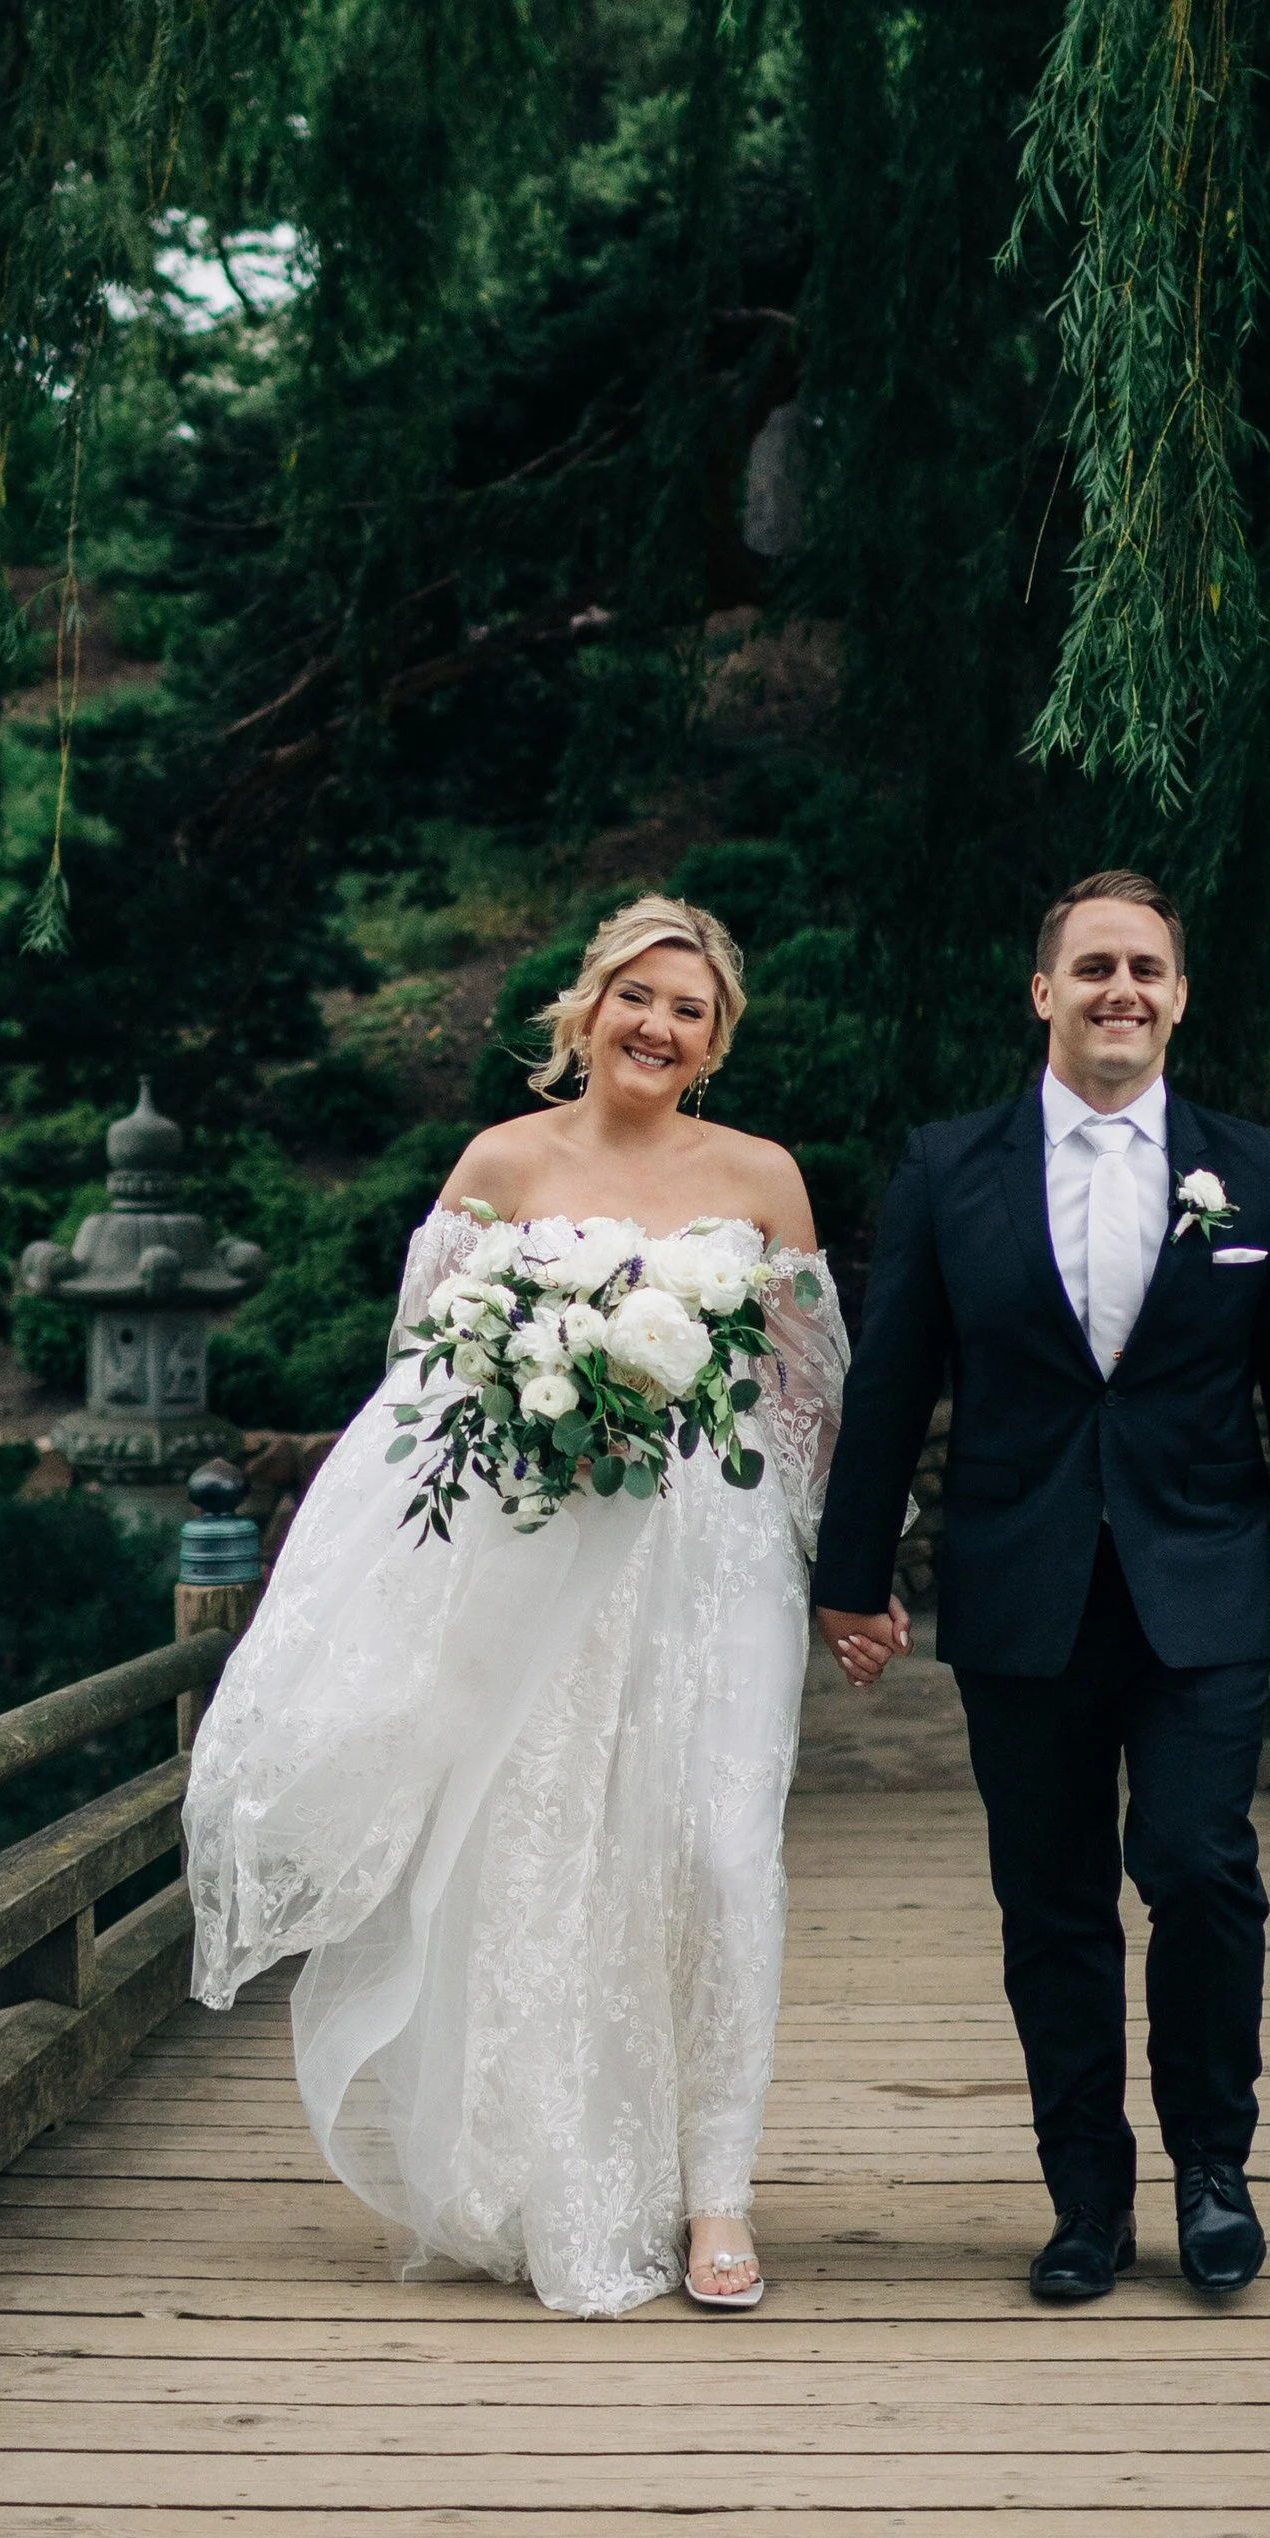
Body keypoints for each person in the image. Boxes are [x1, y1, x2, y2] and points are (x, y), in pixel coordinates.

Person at [184, 894, 845, 2320]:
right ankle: (565, 2167)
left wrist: (841, 1571)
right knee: (558, 1856)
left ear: (716, 1039)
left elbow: (807, 1400)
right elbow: (421, 1390)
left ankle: (718, 2183)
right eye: (636, 996)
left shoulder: (764, 1176)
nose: (657, 1026)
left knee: (722, 1853)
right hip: (549, 1561)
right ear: (586, 1006)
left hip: (721, 1565)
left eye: (690, 1009)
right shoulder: (500, 1160)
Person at [811, 870, 1270, 2306]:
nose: (1125, 988)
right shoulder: (947, 1168)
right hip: (1023, 1588)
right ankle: (1086, 2196)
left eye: (1150, 969)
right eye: (1095, 964)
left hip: (1205, 1589)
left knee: (1197, 1863)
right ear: (1043, 991)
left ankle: (1215, 2170)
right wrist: (849, 1578)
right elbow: (890, 1392)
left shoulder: (1259, 1172)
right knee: (1050, 1902)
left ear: (1179, 997)